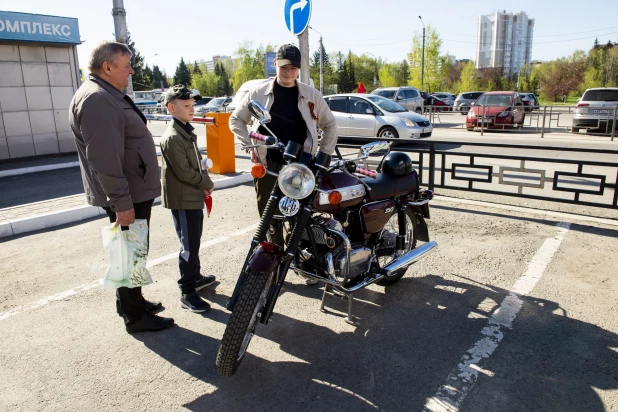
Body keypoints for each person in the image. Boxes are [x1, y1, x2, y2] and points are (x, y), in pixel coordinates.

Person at [69, 41, 174, 334]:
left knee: (132, 250)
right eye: (126, 65)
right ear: (108, 67)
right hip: (126, 193)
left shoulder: (106, 94)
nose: (131, 70)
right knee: (129, 253)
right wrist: (121, 202)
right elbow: (103, 157)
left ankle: (132, 302)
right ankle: (135, 316)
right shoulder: (97, 99)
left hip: (131, 189)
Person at [229, 44, 338, 285]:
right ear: (276, 65)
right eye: (284, 66)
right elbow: (236, 119)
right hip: (270, 163)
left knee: (302, 216)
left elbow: (330, 125)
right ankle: (272, 265)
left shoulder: (311, 94)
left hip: (301, 165)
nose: (288, 71)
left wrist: (323, 156)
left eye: (293, 67)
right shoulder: (259, 92)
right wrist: (251, 147)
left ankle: (305, 263)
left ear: (299, 69)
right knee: (270, 216)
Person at [160, 85, 216, 313]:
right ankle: (187, 291)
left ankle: (195, 278)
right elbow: (184, 172)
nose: (192, 109)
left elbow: (194, 164)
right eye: (186, 106)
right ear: (171, 108)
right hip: (183, 199)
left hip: (191, 196)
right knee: (188, 246)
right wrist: (206, 183)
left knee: (193, 241)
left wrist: (203, 174)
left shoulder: (185, 130)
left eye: (193, 105)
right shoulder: (173, 137)